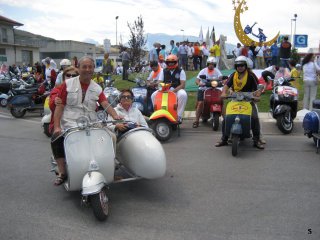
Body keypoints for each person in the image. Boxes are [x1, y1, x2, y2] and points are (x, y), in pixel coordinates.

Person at [51, 56, 121, 185]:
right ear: (79, 68)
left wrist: (115, 115)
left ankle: (110, 167)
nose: (87, 69)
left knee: (111, 136)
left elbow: (105, 103)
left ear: (93, 69)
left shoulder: (97, 88)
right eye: (84, 67)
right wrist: (57, 127)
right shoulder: (68, 84)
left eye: (90, 67)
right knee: (59, 139)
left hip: (91, 122)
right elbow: (59, 106)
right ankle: (63, 171)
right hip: (70, 122)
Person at [215, 56, 264, 149]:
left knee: (254, 118)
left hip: (248, 100)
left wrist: (258, 93)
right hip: (235, 99)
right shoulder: (233, 75)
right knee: (226, 118)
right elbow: (226, 85)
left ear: (245, 66)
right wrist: (224, 92)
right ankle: (224, 139)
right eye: (238, 65)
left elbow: (259, 87)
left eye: (242, 65)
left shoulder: (251, 75)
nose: (240, 67)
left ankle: (256, 140)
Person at [151, 55, 188, 123]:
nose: (170, 63)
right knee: (153, 95)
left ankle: (179, 116)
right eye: (169, 62)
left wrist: (174, 90)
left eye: (172, 62)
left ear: (175, 62)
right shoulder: (164, 71)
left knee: (183, 95)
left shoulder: (181, 71)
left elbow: (183, 84)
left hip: (176, 89)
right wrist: (163, 88)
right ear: (167, 63)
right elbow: (160, 82)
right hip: (165, 90)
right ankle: (157, 113)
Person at [193, 57, 223, 128]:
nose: (211, 65)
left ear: (215, 65)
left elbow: (221, 77)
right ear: (207, 64)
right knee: (200, 103)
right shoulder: (203, 71)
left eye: (213, 64)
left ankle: (225, 119)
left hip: (215, 88)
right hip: (204, 88)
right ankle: (196, 121)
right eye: (210, 64)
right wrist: (200, 83)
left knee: (221, 101)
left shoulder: (217, 71)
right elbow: (197, 80)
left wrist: (224, 82)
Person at [49, 66, 79, 135]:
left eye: (74, 76)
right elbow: (52, 106)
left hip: (79, 123)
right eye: (68, 75)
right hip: (61, 124)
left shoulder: (82, 90)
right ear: (64, 77)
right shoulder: (57, 90)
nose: (71, 77)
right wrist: (55, 101)